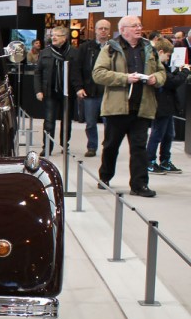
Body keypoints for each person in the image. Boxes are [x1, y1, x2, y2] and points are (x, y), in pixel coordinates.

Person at [92, 16, 167, 197]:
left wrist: (157, 79)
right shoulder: (110, 49)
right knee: (111, 146)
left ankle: (139, 185)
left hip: (142, 108)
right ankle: (105, 177)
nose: (139, 28)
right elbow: (98, 74)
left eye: (140, 25)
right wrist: (125, 78)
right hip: (117, 108)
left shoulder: (149, 48)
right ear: (123, 29)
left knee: (139, 148)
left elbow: (161, 71)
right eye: (134, 26)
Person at [70, 19, 111, 157]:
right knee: (90, 123)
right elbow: (76, 68)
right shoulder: (85, 48)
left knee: (109, 124)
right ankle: (92, 146)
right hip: (90, 91)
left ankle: (108, 147)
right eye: (101, 28)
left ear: (109, 31)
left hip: (108, 92)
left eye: (106, 28)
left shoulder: (114, 48)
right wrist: (79, 87)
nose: (103, 31)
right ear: (96, 30)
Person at [33, 26, 78, 154]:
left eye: (57, 35)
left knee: (66, 121)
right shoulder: (45, 52)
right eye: (52, 35)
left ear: (64, 38)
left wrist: (78, 88)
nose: (53, 37)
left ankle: (65, 145)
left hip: (68, 93)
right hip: (50, 92)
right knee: (49, 121)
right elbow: (38, 73)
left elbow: (77, 73)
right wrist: (38, 90)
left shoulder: (73, 52)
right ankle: (47, 147)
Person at [147, 38, 188, 175]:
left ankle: (165, 161)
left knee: (169, 134)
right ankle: (150, 161)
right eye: (168, 55)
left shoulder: (162, 65)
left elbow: (170, 78)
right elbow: (170, 82)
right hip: (160, 105)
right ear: (161, 52)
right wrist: (185, 72)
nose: (169, 58)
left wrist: (178, 71)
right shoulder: (156, 66)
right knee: (157, 134)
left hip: (167, 105)